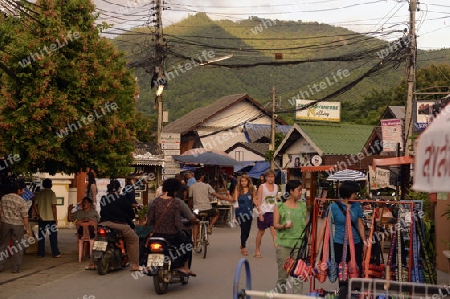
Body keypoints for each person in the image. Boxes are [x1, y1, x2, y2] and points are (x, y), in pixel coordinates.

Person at [146, 178, 197, 276]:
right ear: (175, 190)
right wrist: (192, 223)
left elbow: (149, 219)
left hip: (156, 234)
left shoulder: (154, 202)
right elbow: (186, 220)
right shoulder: (178, 202)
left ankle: (148, 265)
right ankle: (184, 268)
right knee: (188, 244)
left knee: (145, 244)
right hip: (172, 235)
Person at [329, 181, 366, 299]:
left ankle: (355, 295)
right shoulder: (333, 207)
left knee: (356, 271)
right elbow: (326, 226)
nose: (356, 196)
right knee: (343, 274)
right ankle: (343, 295)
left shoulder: (357, 206)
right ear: (347, 193)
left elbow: (360, 224)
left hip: (355, 244)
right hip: (339, 244)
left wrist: (364, 242)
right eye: (354, 193)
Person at [273, 180, 307, 294]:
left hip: (299, 246)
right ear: (291, 191)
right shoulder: (280, 206)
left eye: (301, 190)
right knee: (283, 278)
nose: (301, 192)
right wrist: (283, 226)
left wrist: (310, 244)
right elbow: (275, 224)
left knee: (298, 277)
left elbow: (306, 227)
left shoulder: (302, 206)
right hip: (284, 245)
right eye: (299, 190)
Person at [99, 179, 140, 271]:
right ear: (118, 189)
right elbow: (130, 213)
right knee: (134, 239)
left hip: (103, 224)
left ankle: (92, 263)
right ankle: (135, 265)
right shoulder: (122, 199)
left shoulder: (103, 198)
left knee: (96, 239)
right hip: (119, 225)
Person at [189, 170, 229, 248]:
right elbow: (217, 195)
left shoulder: (191, 187)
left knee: (196, 224)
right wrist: (227, 199)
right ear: (202, 177)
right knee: (217, 212)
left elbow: (190, 199)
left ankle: (195, 245)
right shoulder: (207, 186)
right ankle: (210, 226)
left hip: (197, 210)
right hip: (208, 209)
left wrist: (190, 209)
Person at [0, 180, 30, 273]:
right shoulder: (21, 201)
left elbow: (0, 211)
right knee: (17, 246)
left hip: (5, 223)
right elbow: (25, 216)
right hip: (18, 225)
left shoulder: (4, 198)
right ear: (18, 190)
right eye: (23, 190)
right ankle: (16, 268)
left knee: (3, 245)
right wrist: (27, 229)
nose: (24, 191)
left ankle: (0, 266)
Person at [33, 178, 63, 258]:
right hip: (51, 219)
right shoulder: (52, 193)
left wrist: (38, 214)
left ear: (43, 185)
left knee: (41, 237)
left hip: (41, 219)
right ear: (51, 185)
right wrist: (55, 218)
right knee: (53, 236)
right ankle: (55, 253)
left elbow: (34, 205)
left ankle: (40, 253)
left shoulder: (40, 193)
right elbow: (54, 207)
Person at [68, 197, 100, 270]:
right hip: (81, 233)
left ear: (90, 204)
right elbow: (70, 220)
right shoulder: (79, 212)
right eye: (83, 202)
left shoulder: (94, 213)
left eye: (85, 202)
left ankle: (90, 254)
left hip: (92, 233)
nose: (83, 204)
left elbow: (98, 222)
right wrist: (69, 210)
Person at [254, 169, 278, 258]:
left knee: (274, 231)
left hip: (273, 212)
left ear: (274, 177)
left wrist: (277, 211)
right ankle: (257, 250)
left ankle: (278, 250)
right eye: (269, 177)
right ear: (266, 178)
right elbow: (258, 201)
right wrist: (260, 213)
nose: (271, 178)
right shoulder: (262, 187)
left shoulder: (276, 187)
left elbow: (276, 200)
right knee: (261, 232)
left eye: (272, 177)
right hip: (263, 212)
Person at [231, 174, 255, 256]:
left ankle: (242, 243)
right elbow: (235, 201)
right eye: (242, 181)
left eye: (245, 181)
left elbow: (255, 200)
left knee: (247, 232)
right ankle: (244, 248)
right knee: (243, 230)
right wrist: (234, 215)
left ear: (248, 181)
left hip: (249, 213)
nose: (243, 183)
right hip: (240, 212)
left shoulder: (251, 189)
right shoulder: (237, 189)